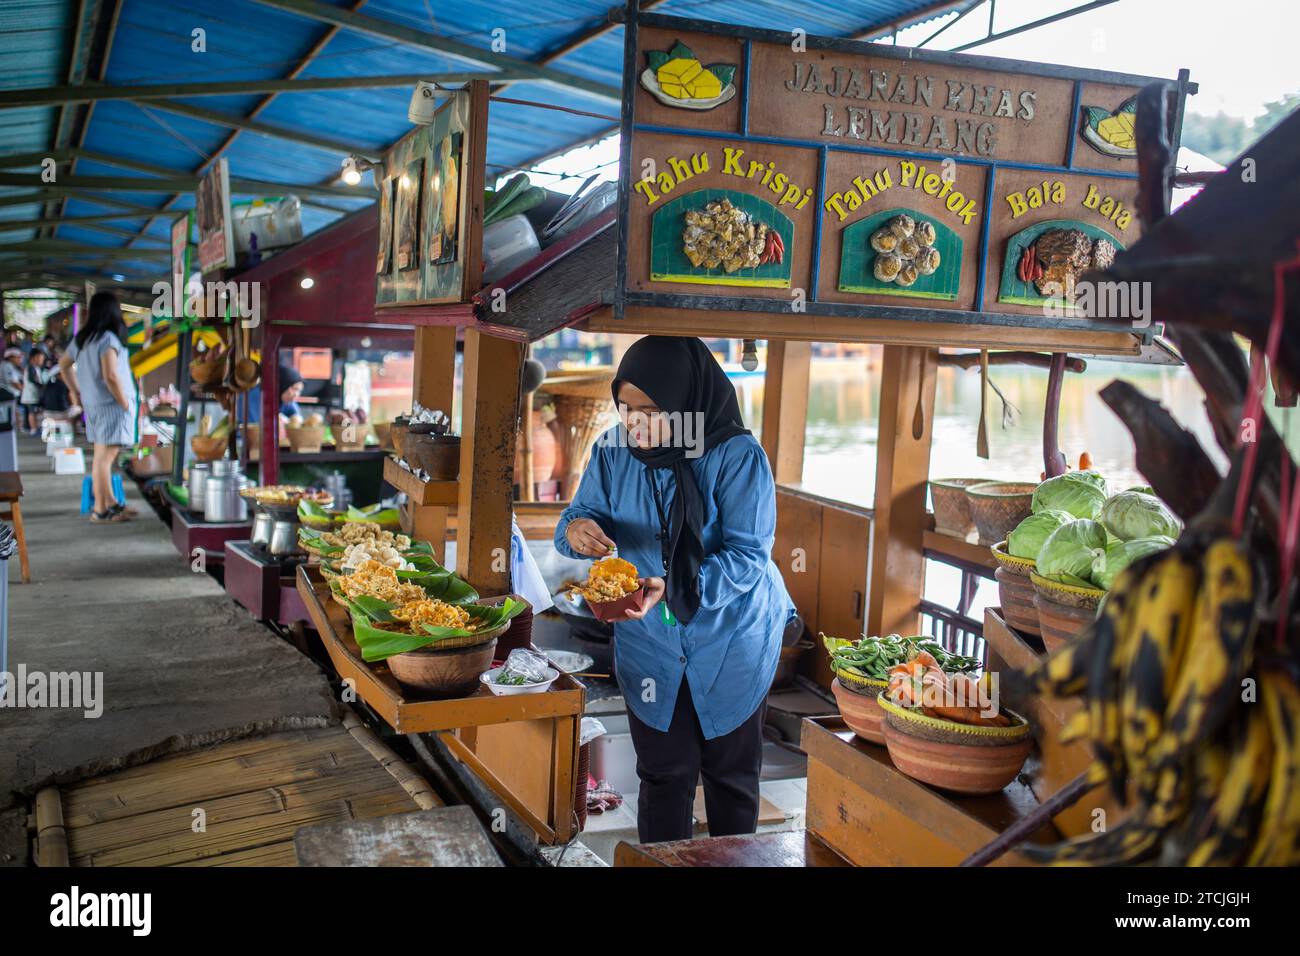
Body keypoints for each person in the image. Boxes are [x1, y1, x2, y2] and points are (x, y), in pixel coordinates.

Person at [554, 336, 795, 844]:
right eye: (624, 408)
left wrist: (683, 586)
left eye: (650, 410)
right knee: (664, 776)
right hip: (651, 642)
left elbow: (749, 555)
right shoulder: (612, 449)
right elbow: (577, 517)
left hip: (730, 637)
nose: (634, 423)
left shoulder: (737, 456)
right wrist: (578, 531)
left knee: (730, 781)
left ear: (687, 402)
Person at [59, 292, 139, 523]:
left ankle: (109, 503)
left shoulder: (83, 339)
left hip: (93, 405)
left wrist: (76, 391)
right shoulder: (108, 340)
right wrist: (124, 402)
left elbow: (63, 365)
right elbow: (111, 375)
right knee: (105, 458)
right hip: (111, 405)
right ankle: (102, 510)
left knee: (101, 457)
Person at [19, 348, 48, 434]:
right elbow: (31, 379)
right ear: (34, 358)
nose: (42, 361)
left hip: (34, 394)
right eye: (40, 358)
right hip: (30, 395)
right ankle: (33, 429)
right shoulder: (30, 367)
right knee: (32, 412)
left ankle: (34, 427)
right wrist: (41, 385)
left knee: (34, 412)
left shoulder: (37, 368)